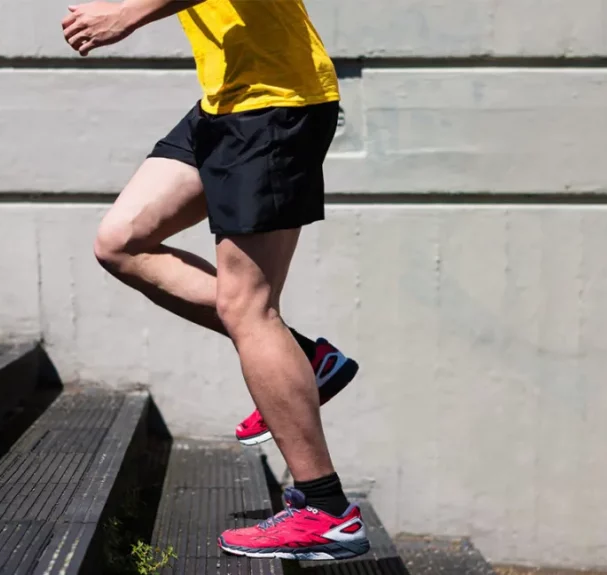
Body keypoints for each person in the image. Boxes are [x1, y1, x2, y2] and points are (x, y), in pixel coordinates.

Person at [62, 0, 370, 561]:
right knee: (121, 243)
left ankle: (326, 511)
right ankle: (308, 359)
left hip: (274, 103)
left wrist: (127, 14)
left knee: (248, 309)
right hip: (224, 101)